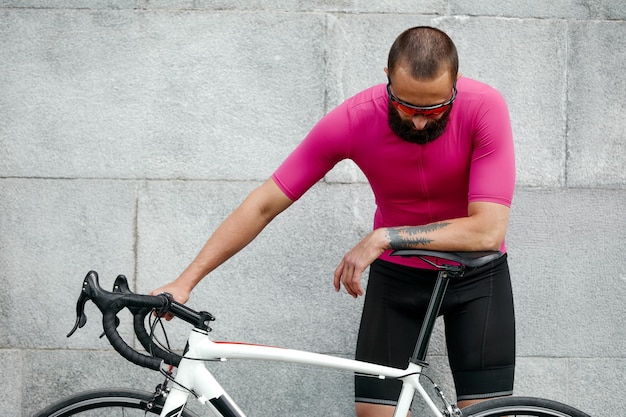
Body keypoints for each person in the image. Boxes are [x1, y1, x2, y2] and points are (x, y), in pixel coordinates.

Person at [151, 26, 516, 417]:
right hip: (399, 282)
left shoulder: (484, 107)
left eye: (435, 109)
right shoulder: (356, 118)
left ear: (455, 84)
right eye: (406, 107)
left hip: (478, 279)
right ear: (387, 79)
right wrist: (186, 281)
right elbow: (264, 204)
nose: (421, 122)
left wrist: (384, 237)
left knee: (488, 414)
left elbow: (487, 230)